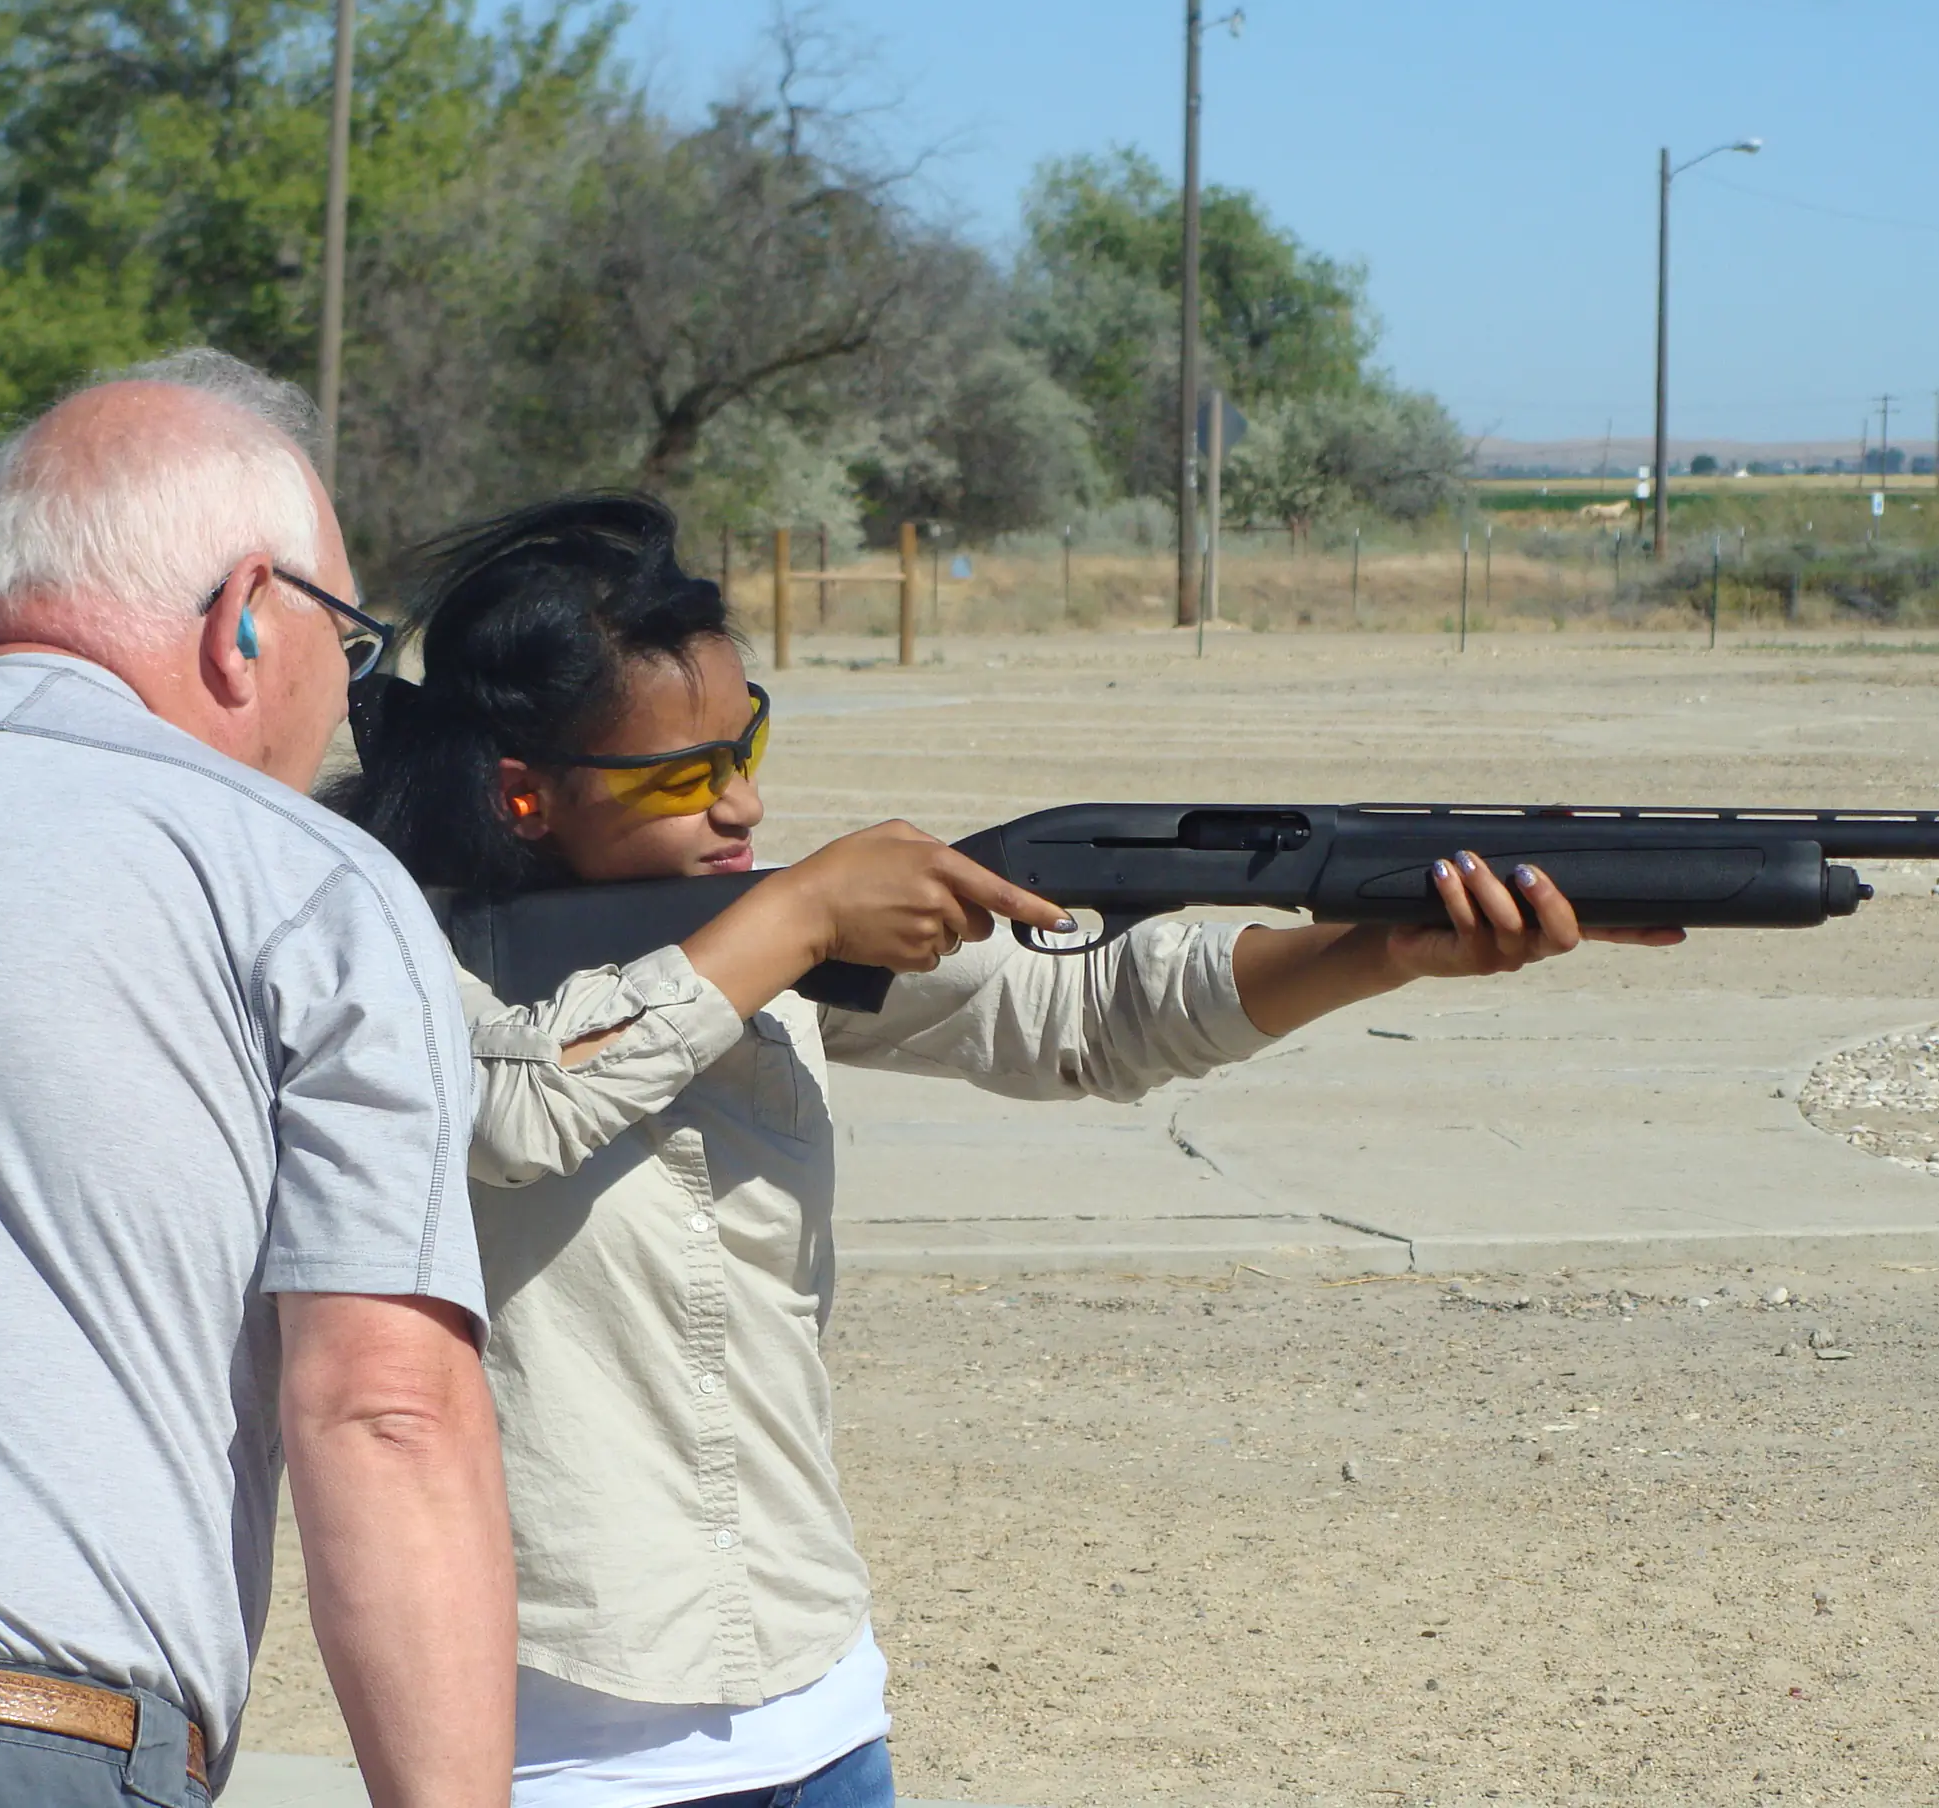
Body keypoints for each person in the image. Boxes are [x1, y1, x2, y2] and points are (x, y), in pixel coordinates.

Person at [336, 492, 1676, 1808]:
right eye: (688, 776)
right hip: (563, 1751)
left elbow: (1085, 1013)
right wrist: (797, 917)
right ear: (524, 796)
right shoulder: (400, 966)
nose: (743, 802)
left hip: (821, 1720)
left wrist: (1379, 949)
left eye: (748, 744)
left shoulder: (759, 934)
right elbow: (516, 1110)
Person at [0, 350, 516, 1808]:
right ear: (250, 616)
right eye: (352, 641)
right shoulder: (301, 880)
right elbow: (385, 1407)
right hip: (27, 1737)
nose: (344, 691)